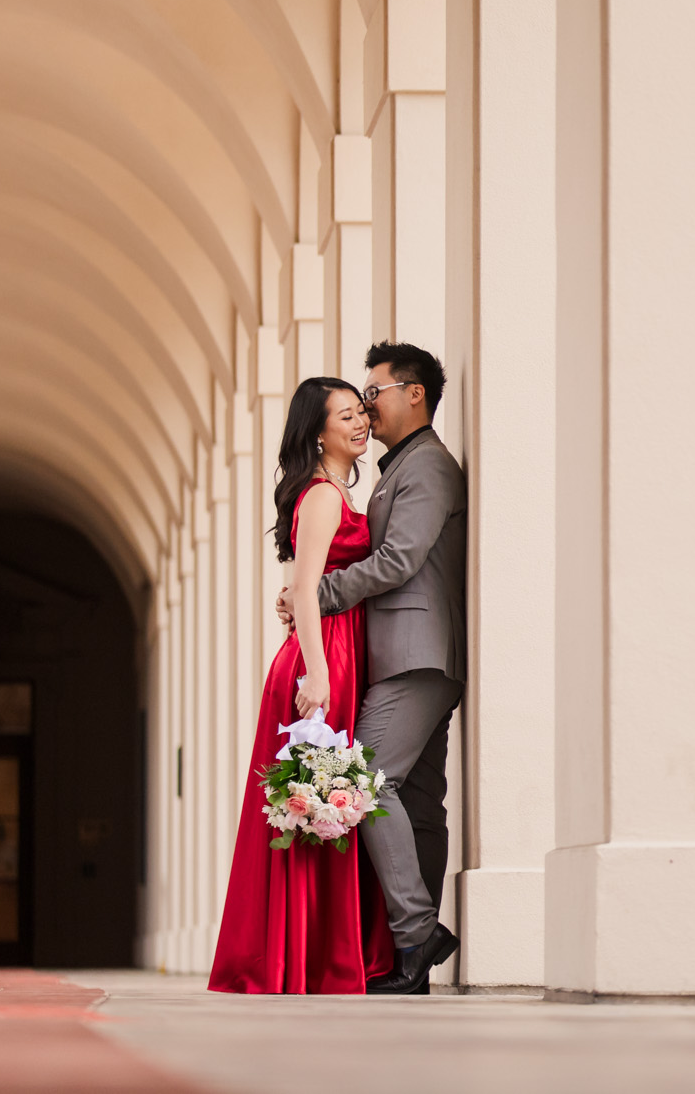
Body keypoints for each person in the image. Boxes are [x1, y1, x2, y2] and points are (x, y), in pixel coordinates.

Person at [279, 342, 466, 995]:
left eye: (374, 391)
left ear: (414, 393)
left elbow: (399, 559)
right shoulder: (400, 468)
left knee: (363, 781)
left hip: (414, 654)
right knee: (418, 806)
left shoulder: (429, 467)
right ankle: (409, 956)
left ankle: (417, 931)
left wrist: (318, 593)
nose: (366, 405)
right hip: (404, 654)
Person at [208, 377, 393, 993]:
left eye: (361, 412)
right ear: (318, 431)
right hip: (325, 658)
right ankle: (312, 957)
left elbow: (299, 584)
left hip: (335, 650)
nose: (361, 422)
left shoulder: (332, 491)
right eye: (346, 415)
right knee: (317, 802)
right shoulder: (320, 496)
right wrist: (316, 671)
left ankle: (312, 952)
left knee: (322, 805)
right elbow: (309, 587)